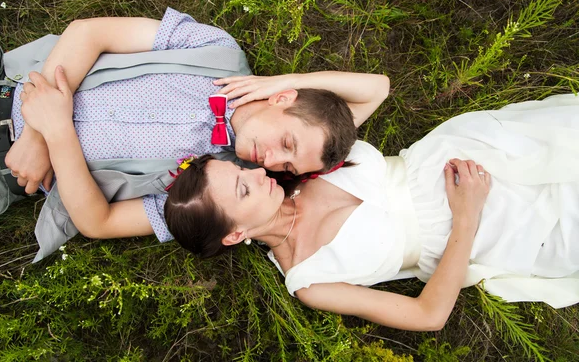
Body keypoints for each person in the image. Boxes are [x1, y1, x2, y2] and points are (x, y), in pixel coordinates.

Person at [160, 90, 579, 331]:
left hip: (465, 158)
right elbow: (427, 315)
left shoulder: (299, 166)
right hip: (489, 229)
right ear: (234, 234)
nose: (256, 173)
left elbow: (374, 87)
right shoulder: (310, 282)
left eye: (239, 170)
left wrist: (281, 87)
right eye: (242, 189)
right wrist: (466, 218)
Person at [0, 8, 390, 245]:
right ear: (283, 100)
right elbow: (91, 32)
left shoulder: (218, 188)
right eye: (286, 142)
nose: (272, 161)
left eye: (286, 168)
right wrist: (35, 135)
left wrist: (55, 134)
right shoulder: (219, 52)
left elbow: (98, 222)